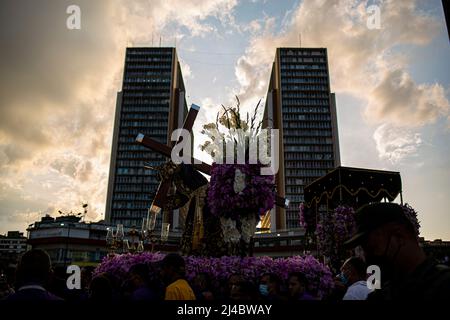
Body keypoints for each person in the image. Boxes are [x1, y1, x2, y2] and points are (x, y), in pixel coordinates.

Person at [344, 202, 450, 300]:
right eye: (364, 250)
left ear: (399, 236)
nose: (368, 257)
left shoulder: (443, 285)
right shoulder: (381, 295)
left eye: (372, 248)